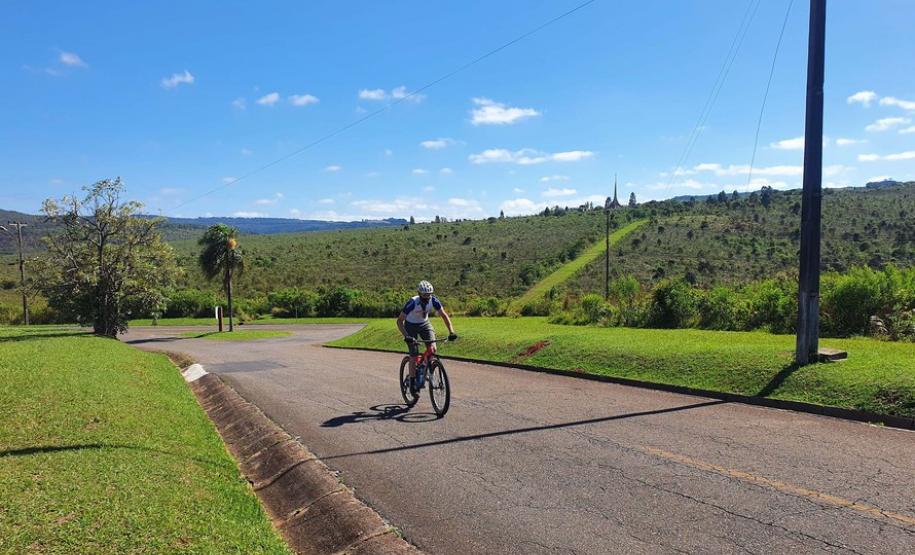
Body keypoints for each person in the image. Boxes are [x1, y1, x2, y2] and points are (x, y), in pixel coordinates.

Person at [397, 280, 457, 392]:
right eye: (425, 295)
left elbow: (444, 316)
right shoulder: (412, 303)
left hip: (424, 324)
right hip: (410, 326)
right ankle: (413, 380)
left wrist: (451, 332)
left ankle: (423, 366)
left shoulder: (434, 301)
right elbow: (399, 321)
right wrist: (406, 336)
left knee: (433, 348)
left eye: (429, 295)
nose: (427, 297)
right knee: (413, 354)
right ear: (419, 294)